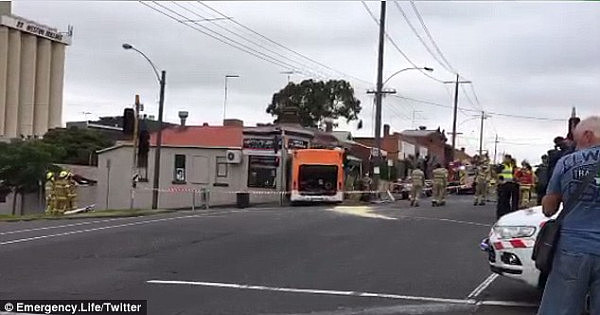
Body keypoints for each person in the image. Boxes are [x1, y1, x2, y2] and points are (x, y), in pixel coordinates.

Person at [538, 116, 600, 315]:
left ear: (588, 136)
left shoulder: (566, 162)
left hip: (572, 249)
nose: (575, 144)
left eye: (577, 138)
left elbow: (549, 209)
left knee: (560, 309)